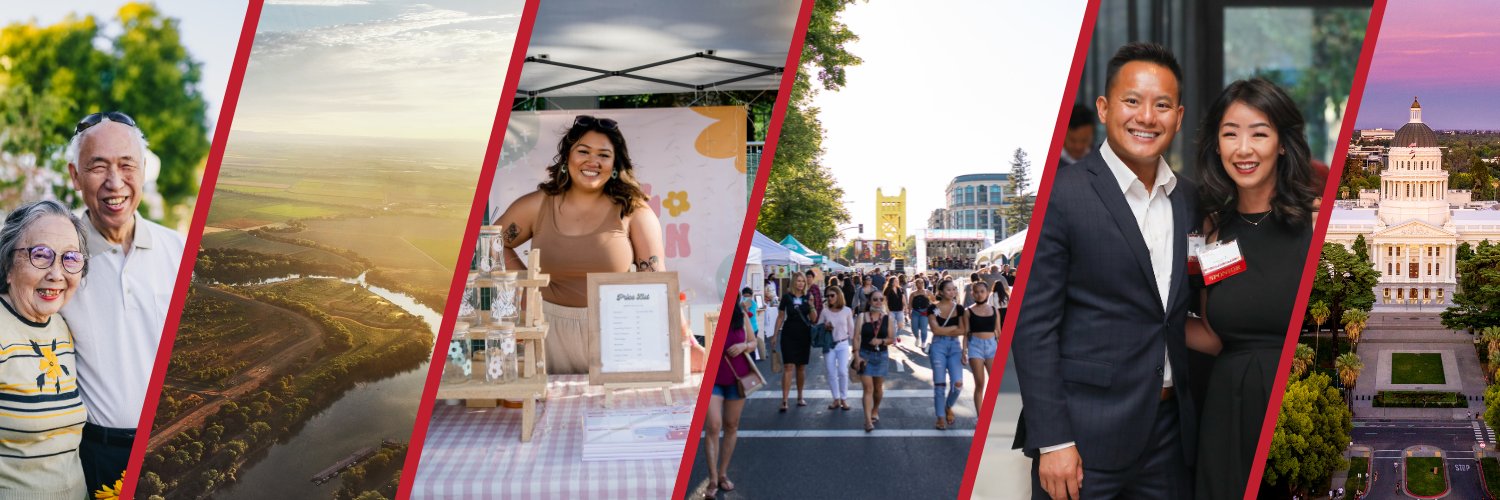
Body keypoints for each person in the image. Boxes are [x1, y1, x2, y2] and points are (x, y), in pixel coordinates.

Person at [1011, 42, 1197, 499]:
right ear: (1104, 107)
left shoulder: (1188, 199)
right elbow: (1032, 325)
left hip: (1171, 438)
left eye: (1162, 105)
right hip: (1083, 440)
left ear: (1178, 117)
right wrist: (1054, 440)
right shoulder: (1062, 194)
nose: (1146, 117)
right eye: (1132, 100)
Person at [1186, 78, 1318, 500]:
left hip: (1293, 402)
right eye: (1230, 134)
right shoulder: (1213, 234)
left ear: (1282, 144)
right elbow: (1213, 334)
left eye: (1259, 133)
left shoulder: (1315, 222)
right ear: (1217, 145)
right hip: (1227, 410)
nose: (1243, 149)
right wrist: (1150, 318)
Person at [496, 115, 702, 374]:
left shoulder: (633, 211)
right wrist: (526, 285)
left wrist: (686, 337)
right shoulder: (536, 205)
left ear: (615, 164)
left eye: (604, 155)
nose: (592, 161)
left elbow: (657, 279)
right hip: (545, 331)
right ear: (567, 157)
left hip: (618, 332)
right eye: (583, 151)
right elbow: (491, 243)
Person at [60, 112, 186, 494]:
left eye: (127, 165)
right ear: (75, 176)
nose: (115, 182)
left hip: (174, 441)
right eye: (98, 167)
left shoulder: (179, 251)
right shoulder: (56, 258)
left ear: (144, 169)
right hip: (97, 453)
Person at [0, 201, 91, 499]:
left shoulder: (63, 327)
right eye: (40, 255)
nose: (56, 273)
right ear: (8, 265)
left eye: (70, 258)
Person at [704, 285, 756, 498]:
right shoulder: (711, 313)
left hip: (737, 378)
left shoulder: (740, 314)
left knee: (731, 425)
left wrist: (744, 346)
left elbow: (753, 342)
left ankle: (723, 473)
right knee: (713, 425)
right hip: (713, 378)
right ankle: (712, 478)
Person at [772, 273, 817, 411]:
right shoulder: (787, 297)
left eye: (803, 281)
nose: (801, 283)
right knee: (788, 366)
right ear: (793, 282)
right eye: (798, 281)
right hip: (789, 334)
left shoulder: (807, 297)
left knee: (801, 367)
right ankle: (784, 400)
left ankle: (800, 396)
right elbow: (780, 317)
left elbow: (814, 318)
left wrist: (811, 305)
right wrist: (775, 335)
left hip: (804, 334)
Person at [854, 293, 894, 433]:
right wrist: (856, 356)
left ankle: (875, 409)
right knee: (868, 389)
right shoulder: (862, 317)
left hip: (881, 356)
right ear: (870, 301)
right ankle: (867, 421)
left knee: (878, 388)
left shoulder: (888, 318)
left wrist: (880, 341)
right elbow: (856, 337)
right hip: (865, 356)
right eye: (875, 299)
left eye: (881, 299)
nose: (878, 301)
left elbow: (891, 339)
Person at [930, 279, 966, 431]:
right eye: (949, 289)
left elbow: (963, 330)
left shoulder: (959, 308)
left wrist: (943, 330)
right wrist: (953, 328)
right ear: (941, 292)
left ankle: (948, 406)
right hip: (938, 346)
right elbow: (935, 330)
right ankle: (940, 417)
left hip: (955, 347)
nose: (952, 292)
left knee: (958, 383)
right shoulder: (934, 308)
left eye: (954, 289)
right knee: (939, 384)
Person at [965, 281, 1001, 415]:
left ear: (987, 293)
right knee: (980, 384)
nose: (979, 294)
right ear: (972, 294)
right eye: (976, 292)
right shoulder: (968, 312)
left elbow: (999, 332)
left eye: (982, 291)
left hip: (992, 347)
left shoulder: (994, 310)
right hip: (975, 347)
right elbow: (965, 333)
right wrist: (963, 351)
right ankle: (981, 418)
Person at [817, 288, 855, 411]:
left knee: (843, 371)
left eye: (832, 295)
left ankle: (844, 398)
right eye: (827, 296)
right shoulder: (825, 311)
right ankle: (836, 398)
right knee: (831, 372)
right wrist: (824, 326)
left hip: (843, 343)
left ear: (838, 295)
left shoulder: (847, 311)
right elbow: (818, 328)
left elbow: (852, 330)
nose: (829, 298)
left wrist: (856, 348)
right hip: (829, 345)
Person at [1059, 103, 1097, 168]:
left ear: (1092, 136)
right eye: (1072, 140)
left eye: (1084, 140)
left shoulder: (1100, 160)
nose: (1078, 147)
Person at [909, 277, 934, 349]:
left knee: (924, 329)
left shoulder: (927, 292)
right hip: (915, 312)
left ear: (923, 284)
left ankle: (923, 342)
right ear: (916, 284)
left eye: (921, 283)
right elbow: (910, 304)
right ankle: (917, 337)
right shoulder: (913, 293)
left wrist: (928, 297)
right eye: (918, 283)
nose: (920, 284)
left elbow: (934, 300)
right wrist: (909, 312)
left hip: (924, 312)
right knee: (914, 328)